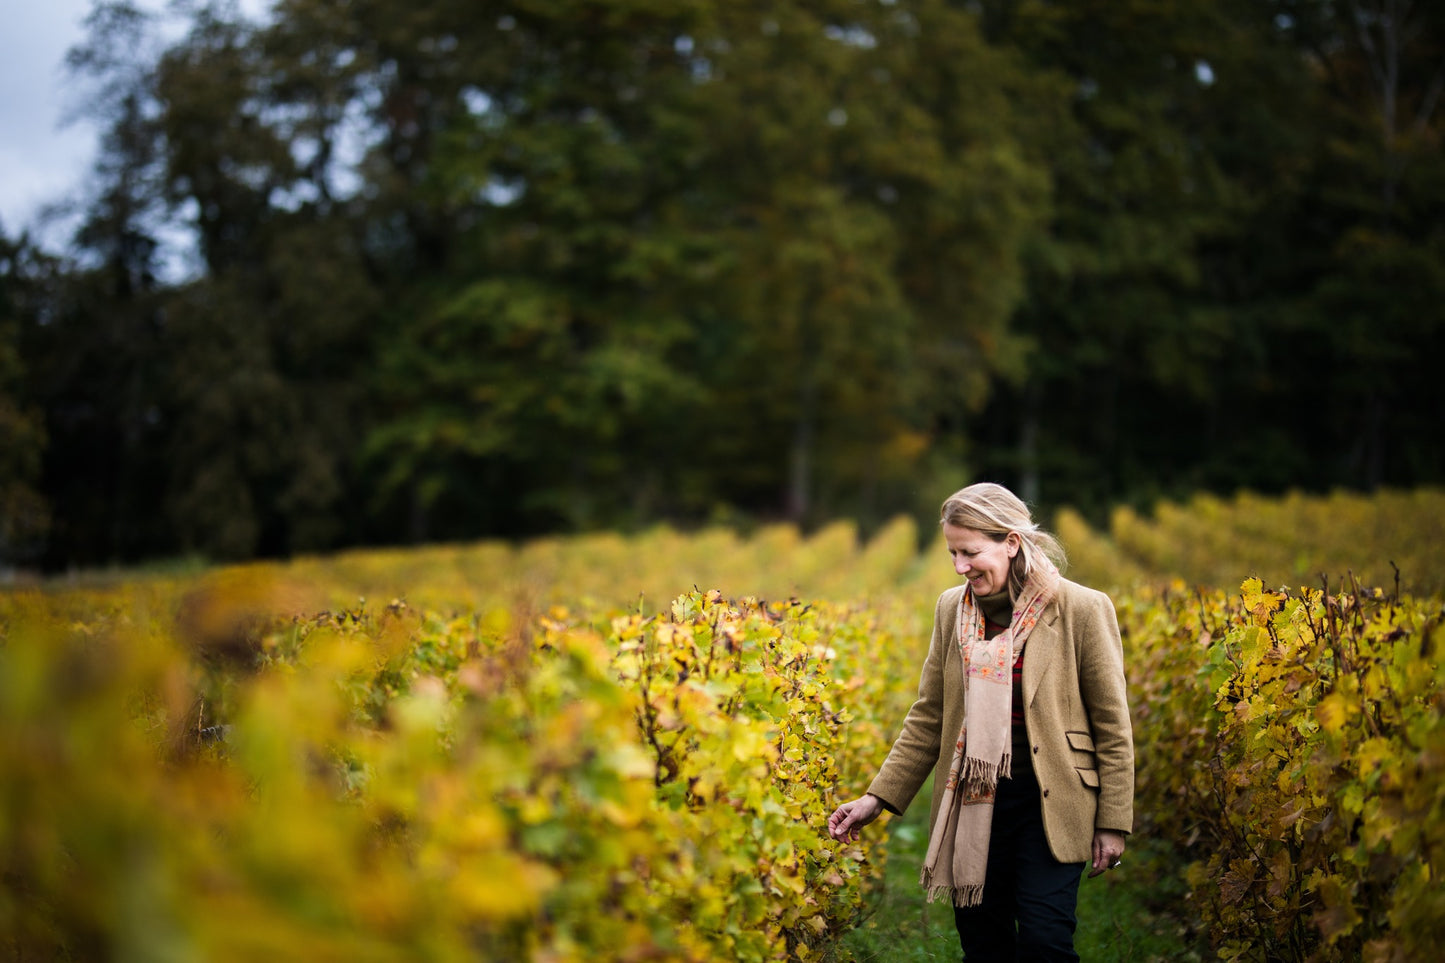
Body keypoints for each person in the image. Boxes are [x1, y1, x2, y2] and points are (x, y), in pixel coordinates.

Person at [828, 482, 1134, 962]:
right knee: (984, 945)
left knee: (1044, 943)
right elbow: (931, 714)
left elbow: (1112, 725)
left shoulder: (1083, 609)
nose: (960, 567)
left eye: (970, 552)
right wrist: (876, 799)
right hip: (975, 799)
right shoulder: (952, 609)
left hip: (1053, 800)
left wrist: (1114, 820)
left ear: (1012, 543)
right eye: (952, 553)